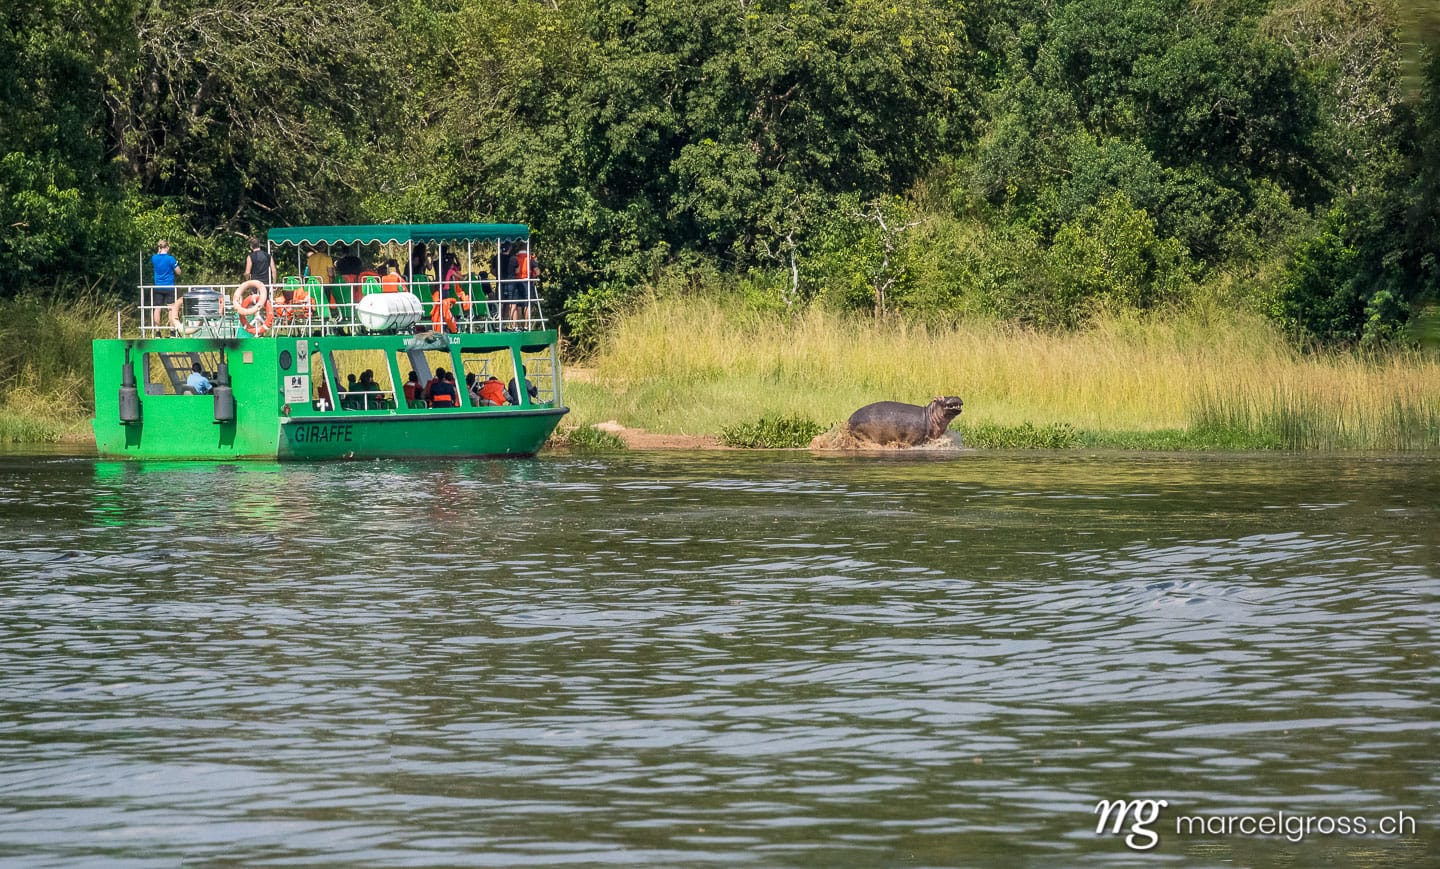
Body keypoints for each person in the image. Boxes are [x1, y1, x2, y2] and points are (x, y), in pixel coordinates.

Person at [151, 240, 184, 331]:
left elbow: (157, 256)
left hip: (158, 287)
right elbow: (179, 272)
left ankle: (157, 331)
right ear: (167, 247)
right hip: (169, 287)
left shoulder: (154, 258)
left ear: (159, 248)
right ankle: (172, 331)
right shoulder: (171, 259)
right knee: (171, 308)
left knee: (157, 308)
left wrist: (159, 251)